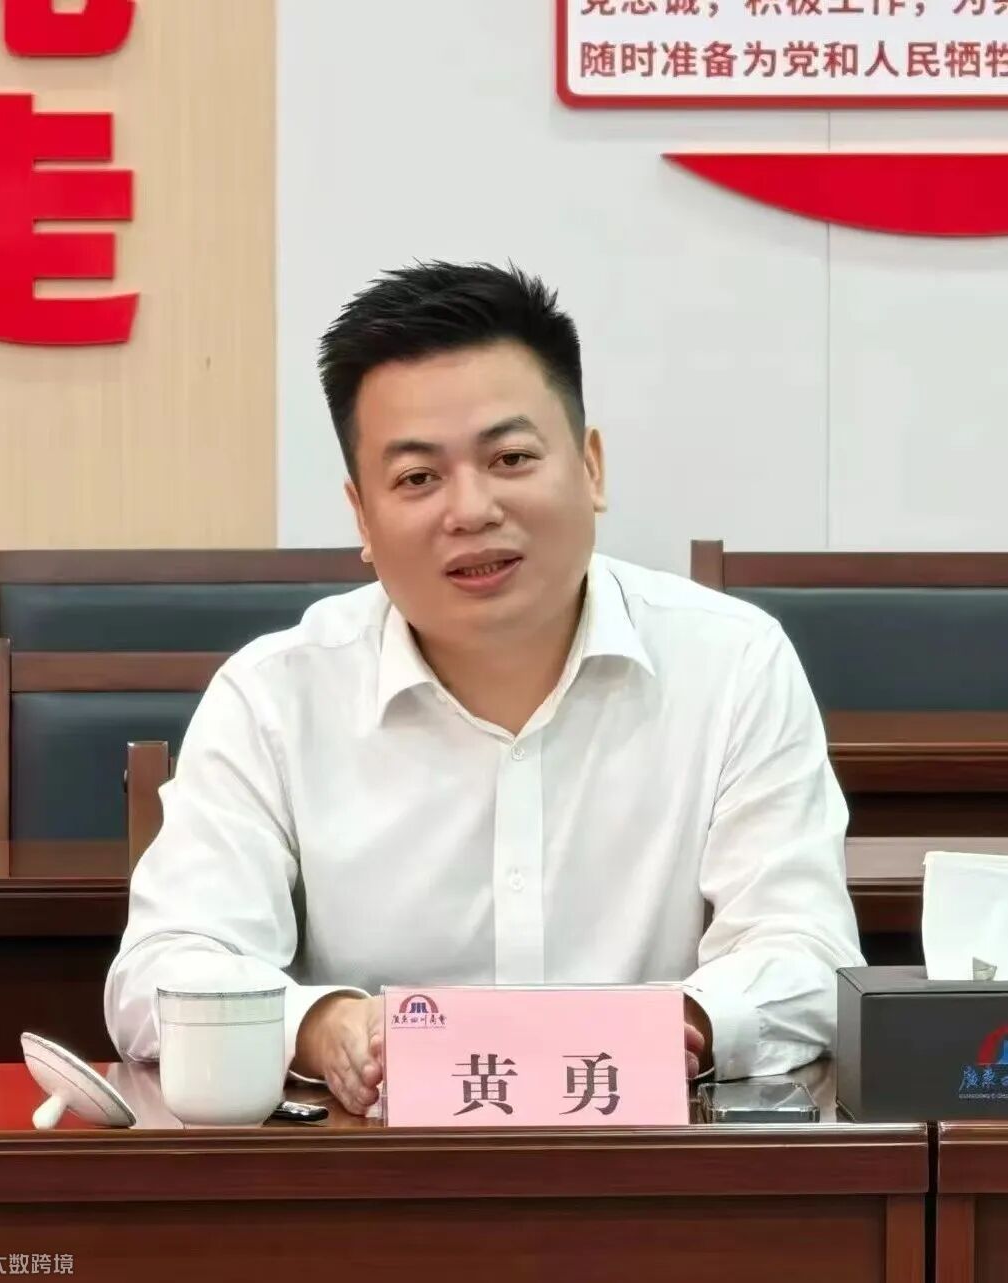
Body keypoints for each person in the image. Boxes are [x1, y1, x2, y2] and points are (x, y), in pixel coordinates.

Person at [105, 261, 863, 1115]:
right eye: (417, 478)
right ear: (361, 516)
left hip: (654, 1164)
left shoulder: (731, 664)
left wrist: (682, 1022)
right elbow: (163, 968)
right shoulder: (274, 696)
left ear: (590, 467)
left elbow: (805, 950)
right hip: (370, 1170)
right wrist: (322, 1026)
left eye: (509, 458)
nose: (469, 510)